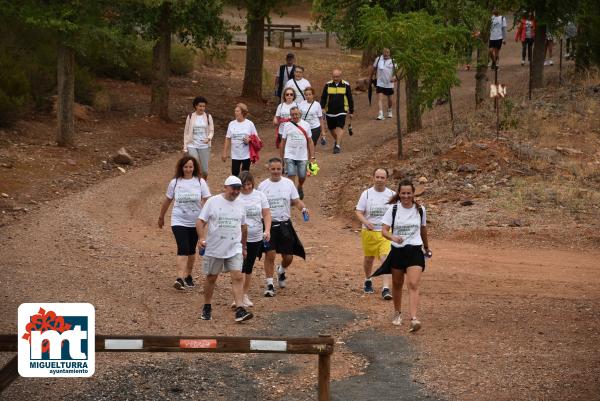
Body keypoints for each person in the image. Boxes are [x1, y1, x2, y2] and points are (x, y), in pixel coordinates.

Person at [197, 175, 253, 322]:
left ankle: (240, 309)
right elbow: (200, 221)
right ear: (225, 187)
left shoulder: (241, 204)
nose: (236, 192)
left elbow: (243, 227)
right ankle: (207, 306)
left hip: (234, 247)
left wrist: (244, 246)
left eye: (238, 189)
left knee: (238, 276)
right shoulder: (213, 202)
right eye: (233, 188)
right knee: (211, 278)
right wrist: (201, 238)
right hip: (215, 248)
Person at [380, 179, 431, 332]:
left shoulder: (420, 209)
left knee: (414, 284)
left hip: (415, 250)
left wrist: (426, 247)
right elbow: (384, 230)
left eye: (409, 193)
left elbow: (423, 229)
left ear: (413, 193)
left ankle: (414, 318)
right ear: (399, 193)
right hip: (397, 251)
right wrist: (392, 237)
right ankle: (397, 313)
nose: (406, 196)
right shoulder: (393, 210)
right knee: (397, 284)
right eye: (403, 193)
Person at [158, 156, 211, 290]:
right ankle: (180, 278)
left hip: (196, 222)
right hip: (178, 220)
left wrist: (210, 217)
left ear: (194, 168)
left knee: (191, 250)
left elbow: (207, 200)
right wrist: (161, 216)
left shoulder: (200, 182)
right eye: (186, 167)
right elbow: (168, 200)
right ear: (181, 168)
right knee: (183, 247)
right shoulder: (175, 182)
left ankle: (188, 275)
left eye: (190, 167)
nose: (188, 169)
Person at [258, 157, 307, 297]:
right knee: (270, 254)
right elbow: (258, 205)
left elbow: (296, 201)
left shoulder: (289, 184)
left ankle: (281, 270)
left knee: (289, 257)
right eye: (273, 169)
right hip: (269, 225)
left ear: (282, 169)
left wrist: (303, 209)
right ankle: (269, 284)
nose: (276, 171)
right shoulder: (262, 186)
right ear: (269, 169)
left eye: (278, 169)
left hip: (285, 224)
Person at [355, 168, 395, 300]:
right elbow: (359, 211)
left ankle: (385, 288)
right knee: (369, 258)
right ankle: (367, 279)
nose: (379, 180)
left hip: (385, 232)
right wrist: (366, 222)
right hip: (369, 232)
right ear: (373, 178)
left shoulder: (392, 195)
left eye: (382, 177)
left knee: (385, 257)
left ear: (386, 179)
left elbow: (398, 211)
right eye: (377, 177)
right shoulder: (366, 194)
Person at [236, 171, 272, 308]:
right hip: (238, 238)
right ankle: (238, 296)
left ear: (253, 183)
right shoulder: (236, 196)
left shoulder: (259, 195)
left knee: (249, 266)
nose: (246, 188)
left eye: (249, 184)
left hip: (256, 236)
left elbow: (267, 214)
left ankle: (244, 294)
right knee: (239, 267)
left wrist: (267, 230)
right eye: (244, 185)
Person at [280, 106, 316, 200]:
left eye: (296, 114)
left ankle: (300, 186)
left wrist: (312, 157)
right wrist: (282, 157)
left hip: (302, 155)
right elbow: (283, 141)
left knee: (302, 175)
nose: (294, 116)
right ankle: (292, 196)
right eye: (292, 115)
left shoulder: (306, 125)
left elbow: (310, 141)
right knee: (291, 173)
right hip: (289, 154)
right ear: (290, 115)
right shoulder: (287, 125)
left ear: (300, 114)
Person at [321, 68, 354, 154]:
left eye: (337, 77)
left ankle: (337, 146)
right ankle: (337, 140)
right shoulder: (328, 85)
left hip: (342, 110)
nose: (335, 78)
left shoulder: (346, 85)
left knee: (340, 127)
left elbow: (350, 98)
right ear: (332, 76)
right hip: (330, 111)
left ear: (341, 76)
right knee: (331, 129)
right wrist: (322, 108)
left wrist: (351, 111)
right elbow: (323, 97)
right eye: (334, 76)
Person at [223, 103, 259, 177]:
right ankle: (236, 188)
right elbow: (227, 138)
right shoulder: (231, 124)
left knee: (245, 175)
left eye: (237, 111)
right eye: (235, 111)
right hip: (235, 155)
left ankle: (244, 188)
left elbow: (256, 137)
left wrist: (249, 139)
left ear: (243, 112)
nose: (235, 112)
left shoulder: (249, 123)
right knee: (234, 175)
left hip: (246, 154)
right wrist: (224, 152)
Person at [183, 96, 214, 179]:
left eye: (204, 106)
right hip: (192, 144)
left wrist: (208, 138)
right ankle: (195, 183)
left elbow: (211, 131)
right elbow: (186, 132)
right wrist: (185, 147)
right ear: (196, 106)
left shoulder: (208, 116)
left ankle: (203, 184)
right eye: (200, 106)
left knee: (205, 171)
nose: (202, 108)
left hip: (204, 145)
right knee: (194, 163)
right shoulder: (190, 116)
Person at [369, 48, 396, 120]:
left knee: (390, 100)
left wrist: (394, 77)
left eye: (387, 52)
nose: (385, 54)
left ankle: (389, 110)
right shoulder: (378, 59)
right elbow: (374, 69)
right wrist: (370, 78)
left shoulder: (393, 61)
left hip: (389, 83)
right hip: (380, 82)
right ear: (382, 52)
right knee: (380, 99)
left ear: (389, 53)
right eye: (384, 52)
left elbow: (395, 71)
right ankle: (380, 114)